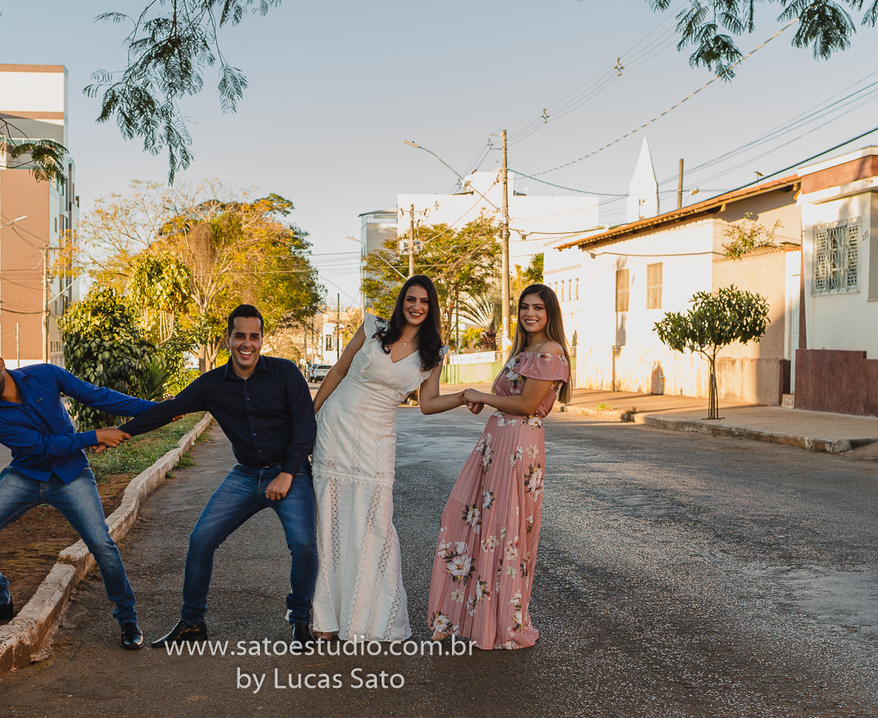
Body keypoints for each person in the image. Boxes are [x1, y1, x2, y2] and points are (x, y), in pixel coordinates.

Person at [115, 304, 318, 649]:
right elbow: (168, 409)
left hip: (289, 473)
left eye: (254, 336)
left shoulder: (285, 373)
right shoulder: (211, 385)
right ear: (228, 339)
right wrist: (121, 433)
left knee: (303, 545)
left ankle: (300, 620)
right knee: (201, 540)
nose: (247, 344)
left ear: (261, 340)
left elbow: (305, 426)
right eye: (240, 335)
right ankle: (193, 622)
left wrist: (286, 474)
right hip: (245, 475)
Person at [0, 342, 156, 650]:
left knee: (101, 544)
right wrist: (95, 437)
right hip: (26, 475)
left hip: (71, 475)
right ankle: (0, 600)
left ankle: (127, 619)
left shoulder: (46, 375)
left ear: (0, 362)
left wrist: (157, 410)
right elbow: (43, 446)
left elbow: (98, 396)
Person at [310, 275, 465, 642]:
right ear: (401, 302)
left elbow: (427, 403)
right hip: (336, 429)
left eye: (424, 301)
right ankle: (324, 618)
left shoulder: (433, 354)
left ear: (432, 307)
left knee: (373, 524)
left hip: (378, 441)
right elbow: (337, 371)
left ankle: (364, 619)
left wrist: (463, 397)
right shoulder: (373, 330)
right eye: (410, 299)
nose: (416, 306)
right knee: (328, 521)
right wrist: (308, 421)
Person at [427, 283, 572, 650]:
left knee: (504, 532)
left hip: (518, 446)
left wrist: (480, 396)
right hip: (496, 445)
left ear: (550, 313)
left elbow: (525, 404)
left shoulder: (551, 353)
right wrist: (484, 399)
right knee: (469, 519)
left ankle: (500, 622)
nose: (530, 314)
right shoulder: (523, 351)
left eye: (538, 308)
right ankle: (461, 617)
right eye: (525, 307)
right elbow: (507, 399)